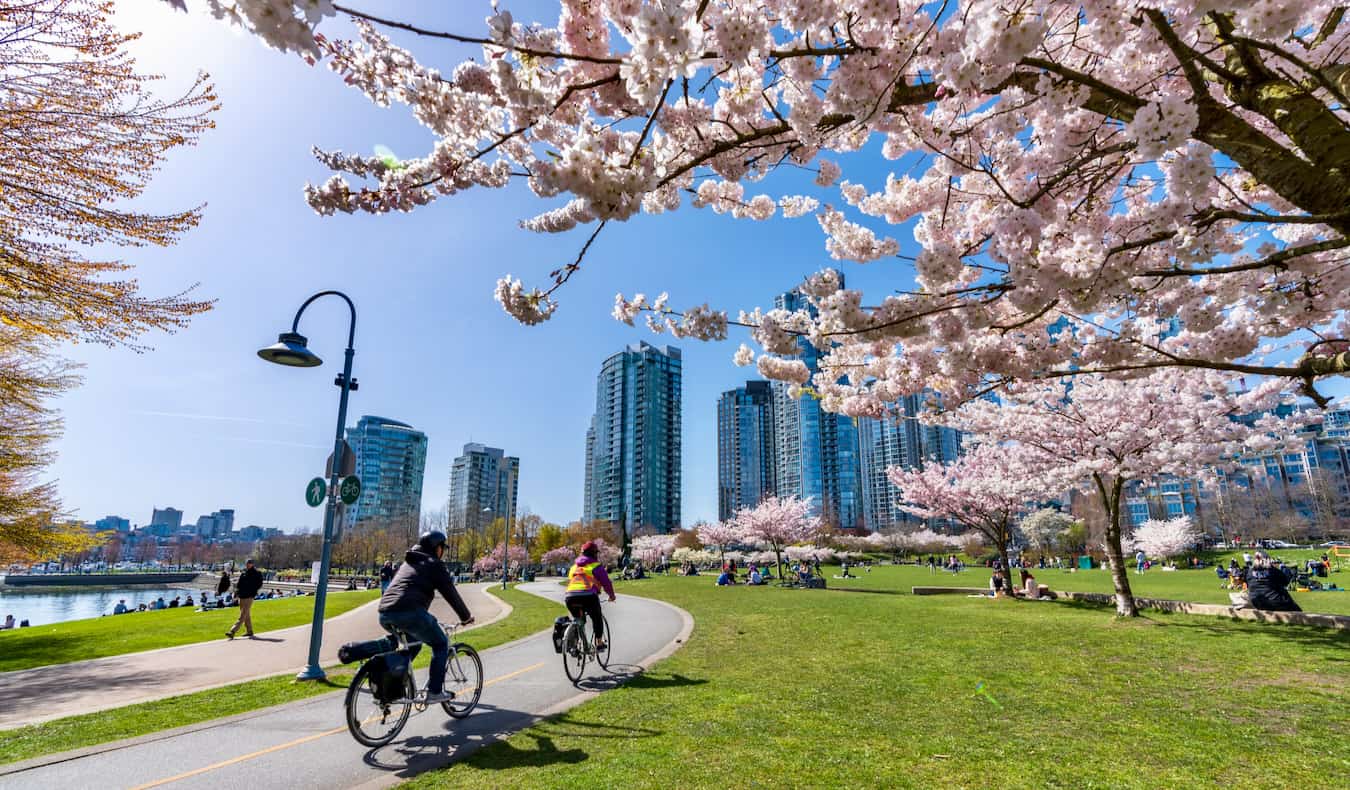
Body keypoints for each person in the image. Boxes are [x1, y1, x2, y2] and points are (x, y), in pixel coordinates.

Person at [379, 531, 474, 703]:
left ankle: (393, 683)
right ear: (437, 548)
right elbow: (450, 592)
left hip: (385, 612)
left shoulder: (408, 563)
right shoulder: (434, 564)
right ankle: (435, 691)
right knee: (440, 643)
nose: (442, 551)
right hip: (410, 612)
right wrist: (465, 616)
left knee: (413, 645)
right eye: (442, 548)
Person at [564, 541, 616, 652]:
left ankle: (575, 643)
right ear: (594, 554)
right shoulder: (596, 566)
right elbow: (606, 583)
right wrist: (611, 596)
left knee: (578, 619)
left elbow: (571, 581)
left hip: (570, 597)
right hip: (588, 597)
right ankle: (599, 643)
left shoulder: (573, 567)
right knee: (597, 617)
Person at [226, 559, 264, 639]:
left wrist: (253, 590)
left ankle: (232, 631)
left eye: (249, 563)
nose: (247, 565)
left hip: (249, 596)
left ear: (252, 564)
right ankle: (249, 631)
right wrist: (236, 594)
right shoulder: (243, 573)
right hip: (242, 596)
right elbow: (239, 585)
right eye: (247, 563)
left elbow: (259, 584)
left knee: (242, 615)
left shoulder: (257, 573)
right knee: (246, 614)